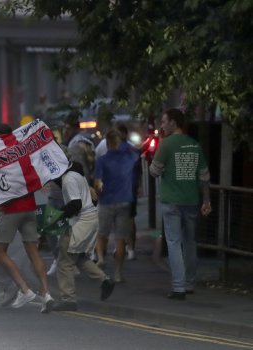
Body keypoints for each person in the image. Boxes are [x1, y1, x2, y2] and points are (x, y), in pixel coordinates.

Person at [0, 123, 54, 314]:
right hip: (29, 206)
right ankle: (46, 293)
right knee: (33, 250)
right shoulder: (23, 153)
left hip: (11, 208)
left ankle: (24, 289)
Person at [150, 108, 211, 300]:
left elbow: (154, 171)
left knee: (174, 243)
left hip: (172, 201)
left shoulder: (166, 145)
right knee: (190, 243)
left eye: (164, 121)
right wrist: (207, 200)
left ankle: (179, 287)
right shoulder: (194, 145)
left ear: (174, 123)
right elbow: (204, 176)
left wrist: (158, 161)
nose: (161, 125)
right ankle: (190, 283)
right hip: (192, 200)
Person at [52, 161, 115, 311]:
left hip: (79, 222)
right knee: (79, 257)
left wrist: (58, 215)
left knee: (64, 261)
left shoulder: (68, 179)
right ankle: (104, 280)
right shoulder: (77, 175)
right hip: (89, 220)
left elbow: (75, 204)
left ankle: (68, 299)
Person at [94, 128, 139, 283]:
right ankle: (118, 273)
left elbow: (98, 183)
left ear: (107, 143)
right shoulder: (129, 159)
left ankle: (100, 257)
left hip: (106, 201)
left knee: (102, 234)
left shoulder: (102, 160)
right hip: (125, 201)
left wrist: (99, 193)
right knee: (120, 239)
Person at [63, 120, 95, 185]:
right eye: (65, 128)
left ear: (76, 130)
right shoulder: (86, 141)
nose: (66, 131)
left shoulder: (76, 145)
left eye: (68, 129)